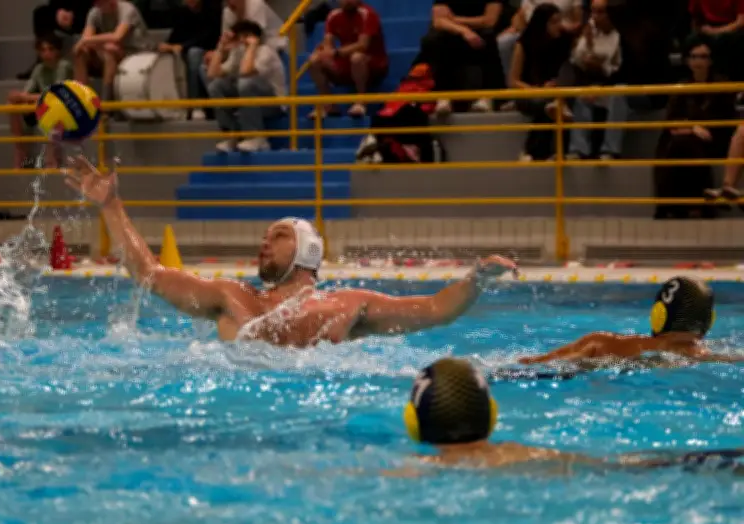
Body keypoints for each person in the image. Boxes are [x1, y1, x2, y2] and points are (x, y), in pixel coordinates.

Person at [61, 156, 518, 348]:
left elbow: (436, 309)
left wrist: (476, 279)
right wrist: (111, 205)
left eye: (278, 235)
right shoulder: (232, 296)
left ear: (307, 251)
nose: (264, 240)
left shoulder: (348, 303)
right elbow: (148, 272)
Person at [396, 356, 744, 472]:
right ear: (491, 415)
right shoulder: (527, 456)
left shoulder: (407, 473)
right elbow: (625, 468)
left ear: (414, 422)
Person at [517, 276, 744, 367]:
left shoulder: (604, 343)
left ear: (660, 313)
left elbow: (535, 363)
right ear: (709, 320)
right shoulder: (712, 357)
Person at [652, 36, 735, 220]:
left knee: (684, 145)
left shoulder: (721, 85)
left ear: (710, 61)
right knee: (680, 144)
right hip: (685, 138)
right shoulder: (682, 87)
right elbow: (671, 121)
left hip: (714, 138)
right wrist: (692, 128)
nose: (699, 61)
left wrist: (700, 129)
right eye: (695, 56)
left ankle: (689, 206)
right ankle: (680, 205)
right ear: (688, 61)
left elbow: (726, 120)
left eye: (704, 57)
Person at [205, 19, 286, 152]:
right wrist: (220, 47)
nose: (242, 40)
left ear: (255, 37)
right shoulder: (239, 52)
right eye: (240, 36)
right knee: (215, 86)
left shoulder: (266, 51)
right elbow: (212, 74)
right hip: (250, 102)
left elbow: (245, 72)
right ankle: (233, 135)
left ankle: (258, 137)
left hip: (274, 103)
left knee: (245, 82)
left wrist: (253, 46)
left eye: (246, 36)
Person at [507, 3, 574, 161]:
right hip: (528, 92)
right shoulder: (524, 44)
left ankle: (552, 152)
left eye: (560, 21)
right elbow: (514, 81)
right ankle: (535, 151)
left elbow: (567, 72)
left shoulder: (564, 42)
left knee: (557, 103)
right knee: (547, 104)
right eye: (554, 22)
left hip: (556, 92)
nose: (559, 26)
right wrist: (537, 90)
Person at [418, 0, 504, 116]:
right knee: (435, 41)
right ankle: (444, 97)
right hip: (456, 32)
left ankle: (486, 98)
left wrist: (454, 19)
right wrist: (464, 31)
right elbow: (438, 21)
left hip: (482, 32)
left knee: (488, 39)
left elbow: (489, 21)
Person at [564, 0, 625, 160]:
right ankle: (578, 149)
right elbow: (578, 60)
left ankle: (609, 150)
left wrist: (599, 71)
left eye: (600, 12)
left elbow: (617, 68)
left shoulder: (620, 35)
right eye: (593, 12)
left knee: (617, 94)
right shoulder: (589, 31)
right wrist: (588, 42)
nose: (595, 17)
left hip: (613, 85)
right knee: (581, 97)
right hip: (591, 84)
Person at [307, 0, 388, 118]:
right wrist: (325, 52)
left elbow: (362, 45)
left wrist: (336, 53)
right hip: (346, 63)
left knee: (357, 57)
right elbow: (328, 42)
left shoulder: (368, 14)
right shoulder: (333, 15)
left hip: (374, 64)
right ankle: (328, 104)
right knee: (314, 60)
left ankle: (361, 101)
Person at [7, 34, 72, 169]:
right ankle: (20, 150)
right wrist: (18, 96)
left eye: (50, 49)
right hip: (41, 108)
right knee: (11, 105)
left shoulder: (64, 66)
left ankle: (52, 161)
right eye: (43, 50)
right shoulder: (39, 69)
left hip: (66, 110)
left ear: (57, 51)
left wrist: (25, 98)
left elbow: (56, 95)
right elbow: (27, 91)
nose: (47, 53)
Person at [73, 0, 152, 103]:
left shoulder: (127, 9)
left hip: (136, 53)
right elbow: (86, 38)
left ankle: (106, 104)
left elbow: (117, 36)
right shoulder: (95, 12)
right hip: (112, 49)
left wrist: (86, 41)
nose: (98, 5)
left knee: (110, 51)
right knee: (82, 52)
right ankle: (82, 101)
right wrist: (86, 43)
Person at [157, 0, 223, 121]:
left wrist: (183, 46)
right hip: (188, 48)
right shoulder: (183, 12)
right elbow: (177, 33)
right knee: (178, 54)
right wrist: (167, 45)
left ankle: (195, 104)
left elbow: (209, 35)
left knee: (194, 54)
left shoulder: (213, 9)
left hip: (212, 49)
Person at [18, 0, 92, 80]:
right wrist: (58, 12)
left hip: (86, 14)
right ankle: (43, 57)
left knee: (93, 15)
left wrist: (73, 14)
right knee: (40, 13)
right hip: (62, 14)